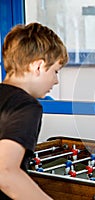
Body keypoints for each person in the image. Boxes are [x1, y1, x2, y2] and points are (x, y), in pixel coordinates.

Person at [0, 22, 68, 199]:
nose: (56, 81)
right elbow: (5, 173)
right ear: (37, 66)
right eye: (55, 71)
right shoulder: (26, 106)